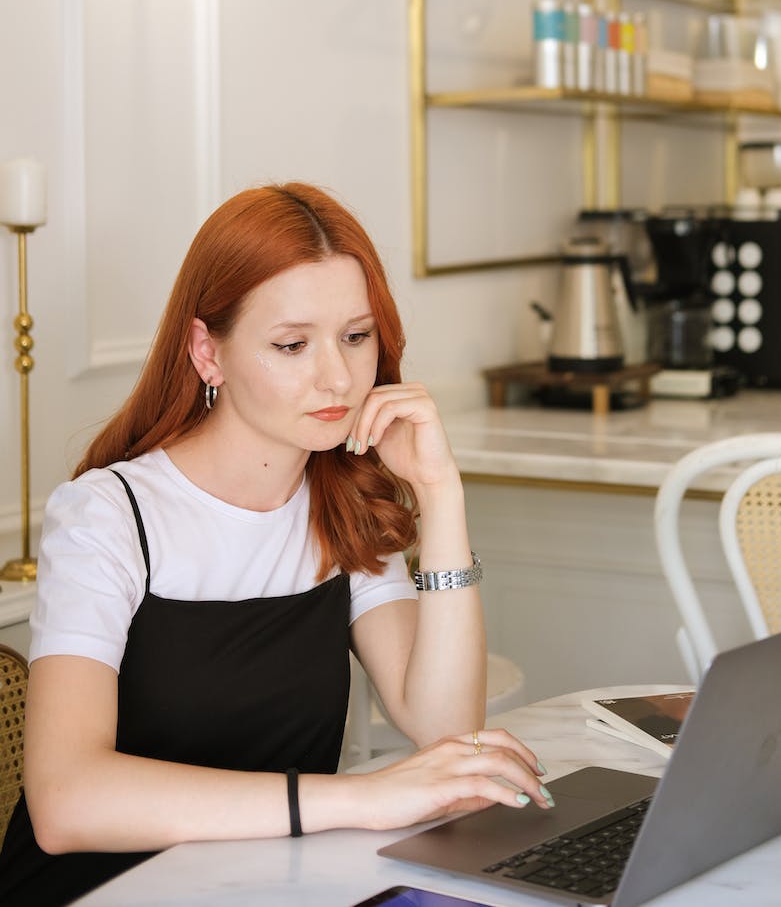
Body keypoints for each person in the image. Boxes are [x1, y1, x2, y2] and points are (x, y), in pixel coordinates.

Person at [0, 183, 551, 906]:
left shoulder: (342, 495)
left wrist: (441, 493)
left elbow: (445, 725)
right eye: (291, 344)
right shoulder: (108, 515)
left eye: (356, 338)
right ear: (208, 352)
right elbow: (68, 804)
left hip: (273, 887)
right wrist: (358, 799)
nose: (337, 377)